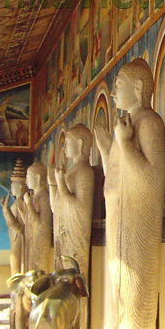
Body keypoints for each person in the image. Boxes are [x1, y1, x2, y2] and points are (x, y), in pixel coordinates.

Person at [94, 58, 165, 329]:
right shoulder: (125, 125)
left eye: (118, 84)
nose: (113, 92)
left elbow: (152, 178)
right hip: (117, 217)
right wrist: (106, 150)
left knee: (133, 294)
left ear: (138, 87)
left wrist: (124, 144)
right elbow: (115, 178)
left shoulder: (149, 122)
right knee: (116, 291)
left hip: (137, 221)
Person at [48, 124, 95, 301]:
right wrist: (54, 183)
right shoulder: (71, 172)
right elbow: (56, 208)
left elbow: (80, 209)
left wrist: (61, 184)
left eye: (67, 142)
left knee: (71, 286)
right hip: (63, 236)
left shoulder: (85, 172)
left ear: (81, 143)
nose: (64, 146)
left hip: (75, 239)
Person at [23, 160, 54, 274]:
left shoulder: (44, 197)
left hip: (40, 242)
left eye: (28, 177)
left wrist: (29, 205)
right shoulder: (35, 196)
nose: (26, 181)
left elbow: (42, 225)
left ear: (38, 178)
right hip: (32, 240)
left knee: (38, 274)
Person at [0, 158, 27, 276]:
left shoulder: (22, 203)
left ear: (21, 187)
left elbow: (19, 227)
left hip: (20, 239)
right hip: (15, 239)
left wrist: (6, 210)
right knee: (15, 269)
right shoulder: (15, 204)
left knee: (18, 269)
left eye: (13, 186)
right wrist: (6, 209)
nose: (11, 189)